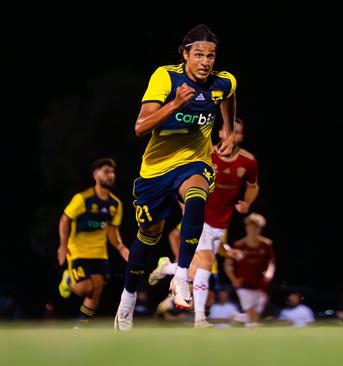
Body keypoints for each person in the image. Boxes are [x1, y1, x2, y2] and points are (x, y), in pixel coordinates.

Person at [114, 24, 237, 330]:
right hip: (155, 171)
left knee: (197, 196)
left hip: (193, 162)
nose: (205, 62)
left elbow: (229, 97)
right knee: (148, 236)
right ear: (185, 55)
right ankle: (126, 302)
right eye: (198, 55)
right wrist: (176, 104)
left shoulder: (224, 82)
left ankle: (181, 275)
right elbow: (140, 128)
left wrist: (229, 130)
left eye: (211, 56)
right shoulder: (166, 77)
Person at [148, 117, 259, 327]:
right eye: (229, 130)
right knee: (207, 262)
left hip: (221, 225)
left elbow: (253, 186)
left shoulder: (248, 161)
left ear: (241, 137)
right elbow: (183, 177)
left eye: (237, 132)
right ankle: (200, 319)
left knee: (195, 271)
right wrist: (184, 206)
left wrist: (247, 203)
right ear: (220, 133)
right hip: (200, 217)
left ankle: (166, 268)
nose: (232, 135)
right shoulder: (206, 153)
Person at [57, 158, 128, 327]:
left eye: (112, 172)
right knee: (84, 288)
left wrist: (121, 247)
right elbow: (65, 220)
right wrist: (62, 245)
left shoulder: (115, 204)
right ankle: (67, 281)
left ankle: (81, 326)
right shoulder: (83, 199)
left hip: (99, 253)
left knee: (96, 290)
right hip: (78, 251)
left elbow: (112, 229)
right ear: (95, 175)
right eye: (106, 172)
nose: (110, 175)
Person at [224, 213, 275, 327]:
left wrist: (269, 273)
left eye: (256, 227)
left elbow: (271, 262)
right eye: (250, 227)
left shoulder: (266, 244)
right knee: (252, 314)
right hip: (243, 284)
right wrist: (233, 279)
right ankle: (254, 333)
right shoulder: (239, 245)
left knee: (255, 313)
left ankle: (236, 317)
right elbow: (228, 264)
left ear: (260, 228)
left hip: (260, 283)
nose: (253, 230)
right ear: (246, 228)